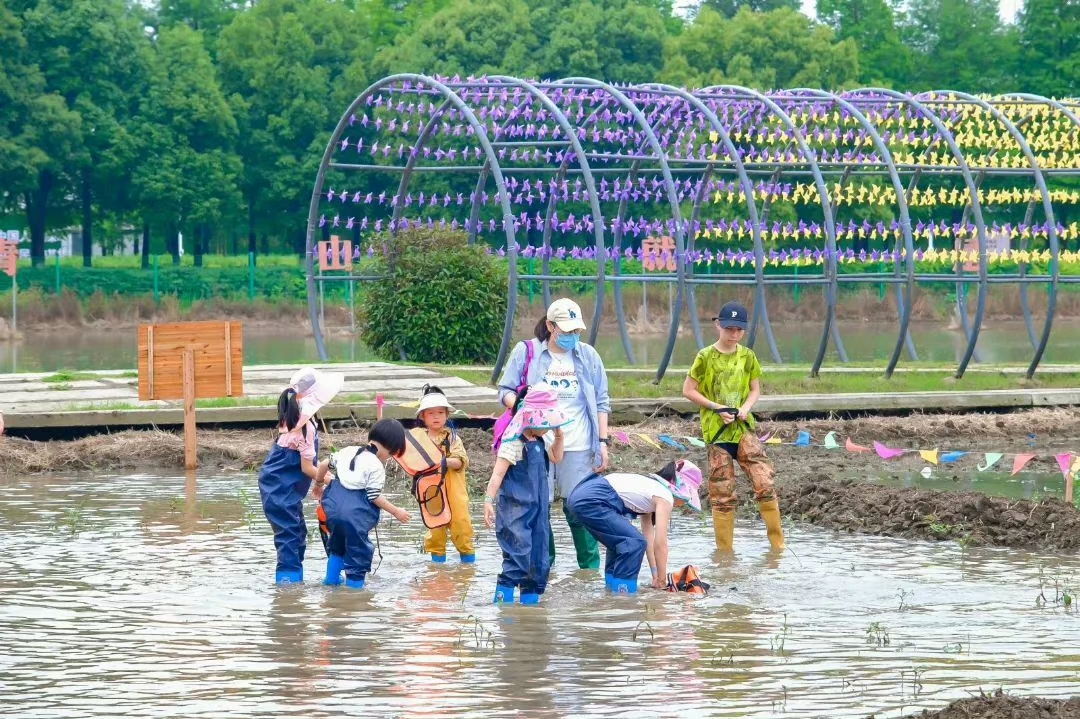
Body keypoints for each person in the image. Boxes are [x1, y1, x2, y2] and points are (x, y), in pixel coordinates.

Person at [496, 297, 610, 571]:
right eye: (566, 330)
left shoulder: (589, 355)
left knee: (579, 504)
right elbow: (505, 392)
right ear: (549, 325)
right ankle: (544, 565)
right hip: (537, 443)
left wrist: (603, 442)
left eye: (576, 331)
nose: (572, 336)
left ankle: (589, 569)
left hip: (579, 442)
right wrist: (525, 409)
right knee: (540, 505)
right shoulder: (526, 353)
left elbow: (602, 401)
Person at [682, 301, 784, 553]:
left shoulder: (748, 356)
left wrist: (746, 407)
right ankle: (725, 554)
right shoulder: (704, 357)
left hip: (743, 428)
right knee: (722, 493)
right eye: (729, 328)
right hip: (716, 433)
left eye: (739, 330)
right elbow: (688, 390)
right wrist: (716, 407)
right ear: (718, 325)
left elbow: (755, 389)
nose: (734, 334)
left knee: (764, 482)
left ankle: (778, 547)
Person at [258, 367, 343, 584]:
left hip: (285, 488)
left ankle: (295, 583)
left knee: (298, 533)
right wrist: (330, 479)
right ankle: (288, 588)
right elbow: (307, 468)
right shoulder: (305, 427)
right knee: (289, 536)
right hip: (279, 488)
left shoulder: (296, 417)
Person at [565, 459, 703, 594]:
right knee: (633, 543)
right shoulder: (665, 497)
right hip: (593, 498)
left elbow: (649, 539)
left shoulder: (652, 489)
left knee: (620, 544)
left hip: (581, 494)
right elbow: (661, 544)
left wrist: (655, 575)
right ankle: (624, 599)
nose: (683, 504)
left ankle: (610, 592)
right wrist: (662, 581)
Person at [483, 387, 567, 605]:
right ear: (530, 418)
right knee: (518, 554)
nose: (548, 426)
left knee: (538, 559)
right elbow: (497, 475)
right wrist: (488, 501)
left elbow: (557, 457)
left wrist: (559, 435)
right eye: (546, 421)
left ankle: (530, 610)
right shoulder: (512, 442)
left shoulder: (543, 439)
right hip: (515, 511)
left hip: (538, 510)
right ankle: (504, 607)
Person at [315, 418, 412, 589]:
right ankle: (354, 590)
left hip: (333, 512)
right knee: (357, 551)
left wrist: (318, 484)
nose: (388, 459)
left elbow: (323, 464)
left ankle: (330, 581)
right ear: (388, 449)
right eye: (391, 454)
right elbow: (374, 496)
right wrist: (396, 511)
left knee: (337, 545)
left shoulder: (348, 450)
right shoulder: (376, 467)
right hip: (355, 515)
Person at [414, 385, 474, 564]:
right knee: (436, 533)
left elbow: (460, 461)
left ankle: (468, 568)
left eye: (440, 412)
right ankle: (437, 573)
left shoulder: (453, 438)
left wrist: (441, 461)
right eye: (431, 413)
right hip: (432, 493)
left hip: (455, 492)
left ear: (447, 415)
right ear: (422, 416)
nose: (436, 417)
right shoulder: (418, 440)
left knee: (462, 530)